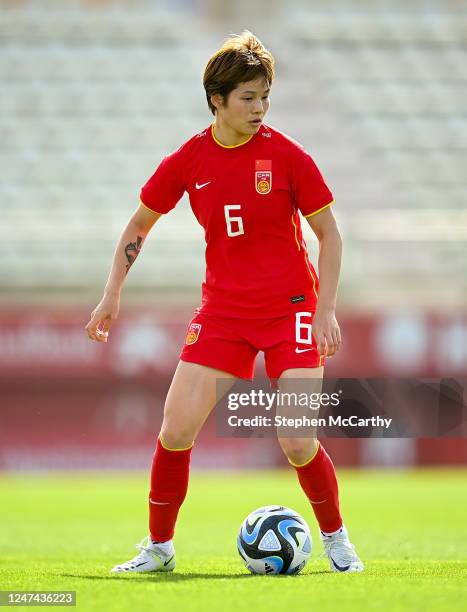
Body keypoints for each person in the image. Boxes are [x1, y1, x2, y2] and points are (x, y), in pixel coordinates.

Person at [85, 30, 364, 574]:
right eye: (248, 98)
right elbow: (140, 223)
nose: (259, 108)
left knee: (296, 439)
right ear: (217, 99)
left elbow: (330, 234)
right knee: (175, 429)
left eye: (264, 98)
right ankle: (158, 549)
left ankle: (336, 539)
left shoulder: (288, 156)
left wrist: (326, 308)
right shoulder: (188, 161)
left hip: (293, 310)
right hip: (224, 314)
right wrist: (111, 294)